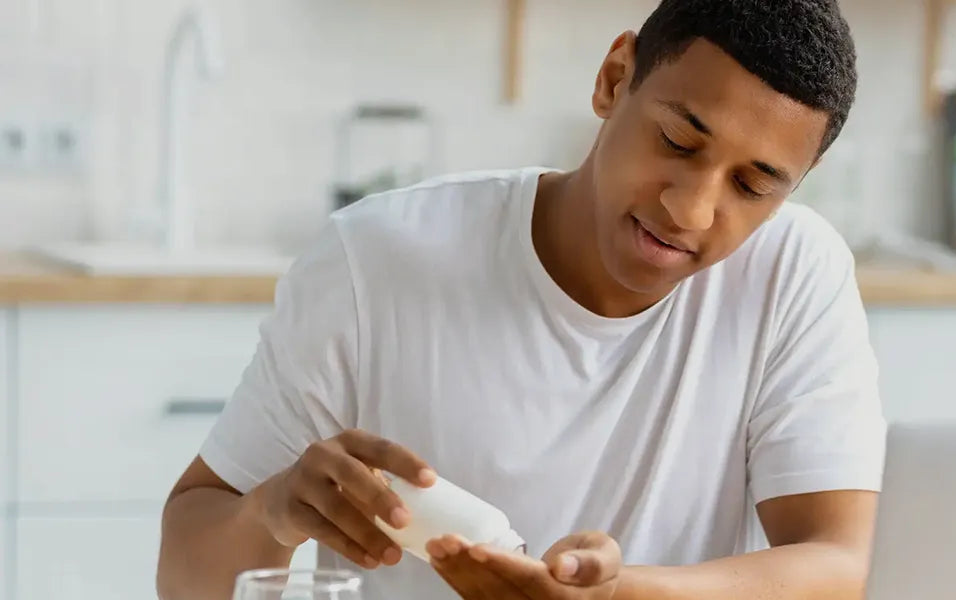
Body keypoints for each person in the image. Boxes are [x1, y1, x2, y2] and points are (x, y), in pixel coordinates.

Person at [156, 1, 886, 598]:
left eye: (753, 186)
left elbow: (837, 564)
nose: (691, 210)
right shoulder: (376, 261)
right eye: (676, 140)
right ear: (613, 78)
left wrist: (618, 593)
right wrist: (275, 512)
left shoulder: (793, 270)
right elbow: (184, 565)